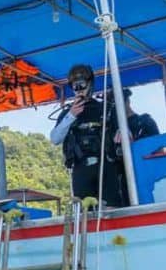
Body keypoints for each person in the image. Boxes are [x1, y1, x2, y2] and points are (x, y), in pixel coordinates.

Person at [49, 63, 124, 207]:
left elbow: (123, 134)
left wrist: (123, 132)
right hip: (80, 169)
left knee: (111, 209)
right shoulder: (67, 113)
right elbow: (55, 139)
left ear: (90, 84)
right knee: (84, 212)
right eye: (74, 86)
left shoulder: (106, 108)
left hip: (106, 167)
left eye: (81, 85)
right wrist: (71, 115)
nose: (78, 90)